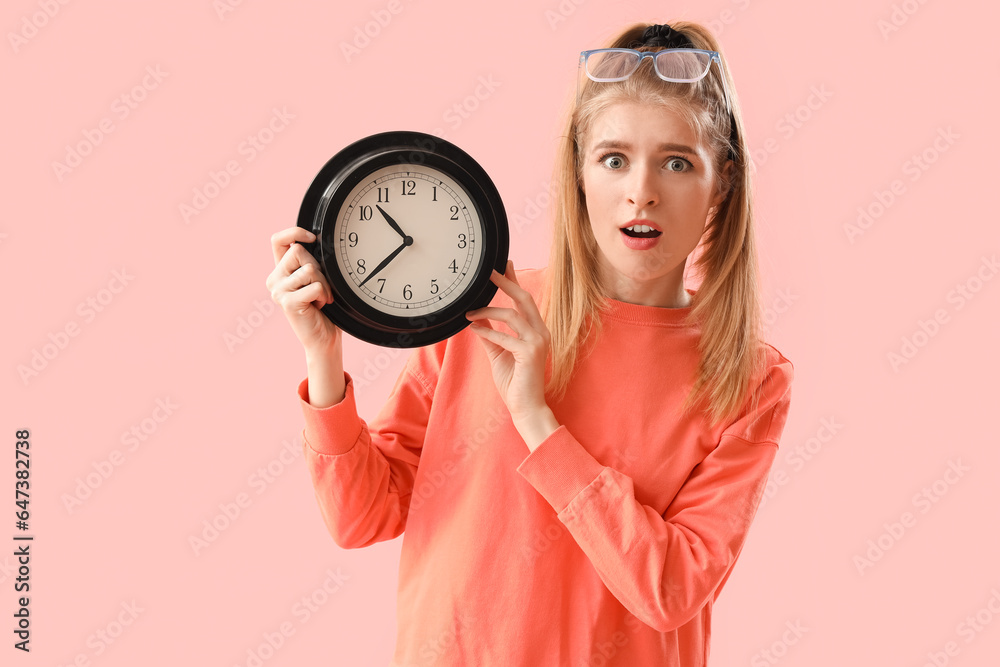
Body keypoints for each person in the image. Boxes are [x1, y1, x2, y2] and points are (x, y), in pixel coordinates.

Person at [266, 20, 794, 667]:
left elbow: (671, 587)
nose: (641, 191)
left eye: (677, 162)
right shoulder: (484, 310)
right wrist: (324, 360)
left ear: (724, 181)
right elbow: (361, 517)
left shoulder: (752, 377)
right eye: (614, 158)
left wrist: (538, 421)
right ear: (579, 171)